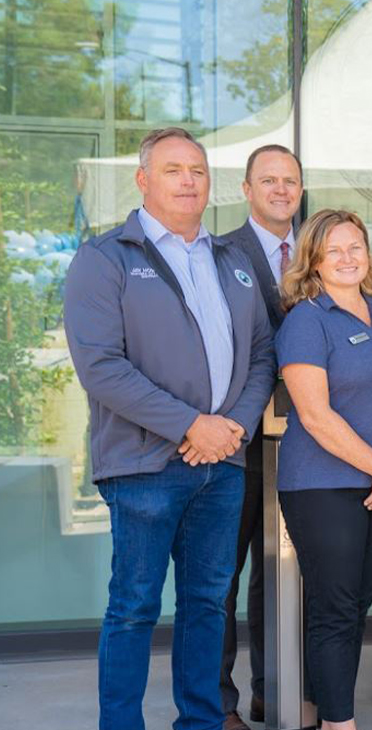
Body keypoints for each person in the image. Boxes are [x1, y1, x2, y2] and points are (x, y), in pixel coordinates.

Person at [64, 127, 276, 730]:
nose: (188, 181)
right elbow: (101, 367)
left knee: (208, 605)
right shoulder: (107, 258)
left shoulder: (231, 261)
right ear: (143, 180)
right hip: (143, 466)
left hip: (223, 465)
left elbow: (262, 355)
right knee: (133, 607)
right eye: (174, 170)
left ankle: (202, 722)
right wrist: (190, 425)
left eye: (198, 171)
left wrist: (231, 428)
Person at [276, 209, 372, 730]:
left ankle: (317, 710)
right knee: (336, 610)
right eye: (333, 249)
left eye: (355, 246)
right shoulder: (306, 320)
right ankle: (341, 723)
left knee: (353, 605)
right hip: (322, 485)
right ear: (313, 260)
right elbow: (314, 416)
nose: (346, 258)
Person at [217, 142, 303, 730]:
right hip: (237, 443)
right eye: (268, 180)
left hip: (304, 443)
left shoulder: (320, 253)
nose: (280, 189)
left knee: (280, 578)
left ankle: (273, 691)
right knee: (221, 577)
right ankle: (216, 703)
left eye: (290, 181)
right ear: (247, 189)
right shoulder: (220, 252)